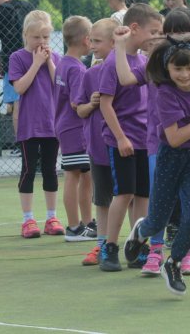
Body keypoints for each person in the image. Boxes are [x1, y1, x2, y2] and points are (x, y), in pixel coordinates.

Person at [123, 34, 190, 295]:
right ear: (167, 68)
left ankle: (174, 262)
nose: (184, 74)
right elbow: (176, 138)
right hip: (171, 156)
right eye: (178, 69)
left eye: (189, 68)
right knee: (158, 219)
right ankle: (140, 231)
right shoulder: (165, 94)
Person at [98, 3, 162, 271]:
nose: (157, 37)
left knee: (143, 195)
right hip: (122, 140)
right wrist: (121, 138)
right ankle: (108, 247)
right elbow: (105, 104)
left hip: (144, 141)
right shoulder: (114, 60)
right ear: (134, 29)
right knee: (123, 194)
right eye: (153, 32)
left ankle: (137, 246)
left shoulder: (145, 62)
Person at [8, 10, 64, 238]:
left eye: (46, 37)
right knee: (29, 170)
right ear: (26, 36)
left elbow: (60, 85)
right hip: (29, 125)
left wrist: (48, 62)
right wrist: (35, 63)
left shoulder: (56, 58)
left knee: (51, 170)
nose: (41, 42)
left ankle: (52, 216)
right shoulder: (18, 58)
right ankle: (28, 219)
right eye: (36, 38)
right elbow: (19, 87)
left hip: (52, 125)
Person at [75, 17, 120, 265]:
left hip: (124, 147)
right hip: (98, 149)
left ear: (115, 43)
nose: (91, 45)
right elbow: (79, 110)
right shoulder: (90, 74)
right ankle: (102, 245)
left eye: (97, 41)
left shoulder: (128, 72)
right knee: (102, 199)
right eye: (90, 40)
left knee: (131, 197)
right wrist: (91, 104)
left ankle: (138, 244)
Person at [54, 16, 96, 241]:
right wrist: (95, 103)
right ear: (85, 40)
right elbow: (76, 103)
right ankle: (73, 226)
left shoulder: (63, 62)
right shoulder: (78, 69)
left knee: (85, 174)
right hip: (74, 127)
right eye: (93, 39)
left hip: (67, 126)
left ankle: (87, 222)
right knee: (73, 175)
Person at [0, 0, 34, 157]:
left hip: (11, 61)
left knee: (17, 103)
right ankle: (41, 139)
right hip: (34, 57)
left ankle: (21, 145)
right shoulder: (28, 7)